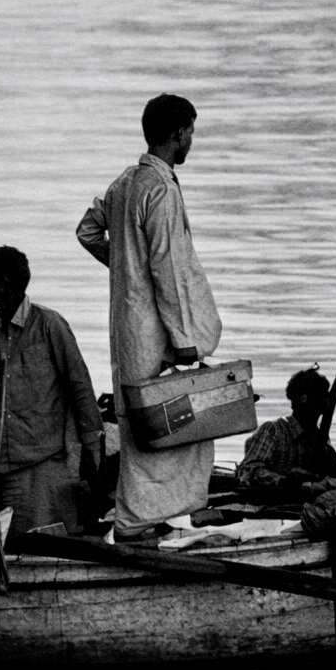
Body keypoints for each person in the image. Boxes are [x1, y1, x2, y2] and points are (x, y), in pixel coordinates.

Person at [77, 93, 223, 540]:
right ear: (178, 133)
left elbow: (87, 231)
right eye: (191, 132)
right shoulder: (158, 188)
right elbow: (168, 268)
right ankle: (140, 518)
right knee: (173, 422)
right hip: (157, 328)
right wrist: (183, 338)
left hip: (129, 325)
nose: (192, 141)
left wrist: (125, 268)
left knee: (144, 421)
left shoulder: (125, 184)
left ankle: (150, 513)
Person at [0, 245, 104, 536]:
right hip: (6, 466)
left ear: (5, 280)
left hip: (45, 464)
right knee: (13, 547)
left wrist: (91, 452)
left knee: (46, 546)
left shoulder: (49, 324)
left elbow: (80, 386)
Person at [236, 367, 336, 489]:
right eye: (322, 396)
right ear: (304, 399)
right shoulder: (274, 431)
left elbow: (334, 472)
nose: (327, 402)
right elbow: (248, 471)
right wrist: (284, 481)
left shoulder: (319, 437)